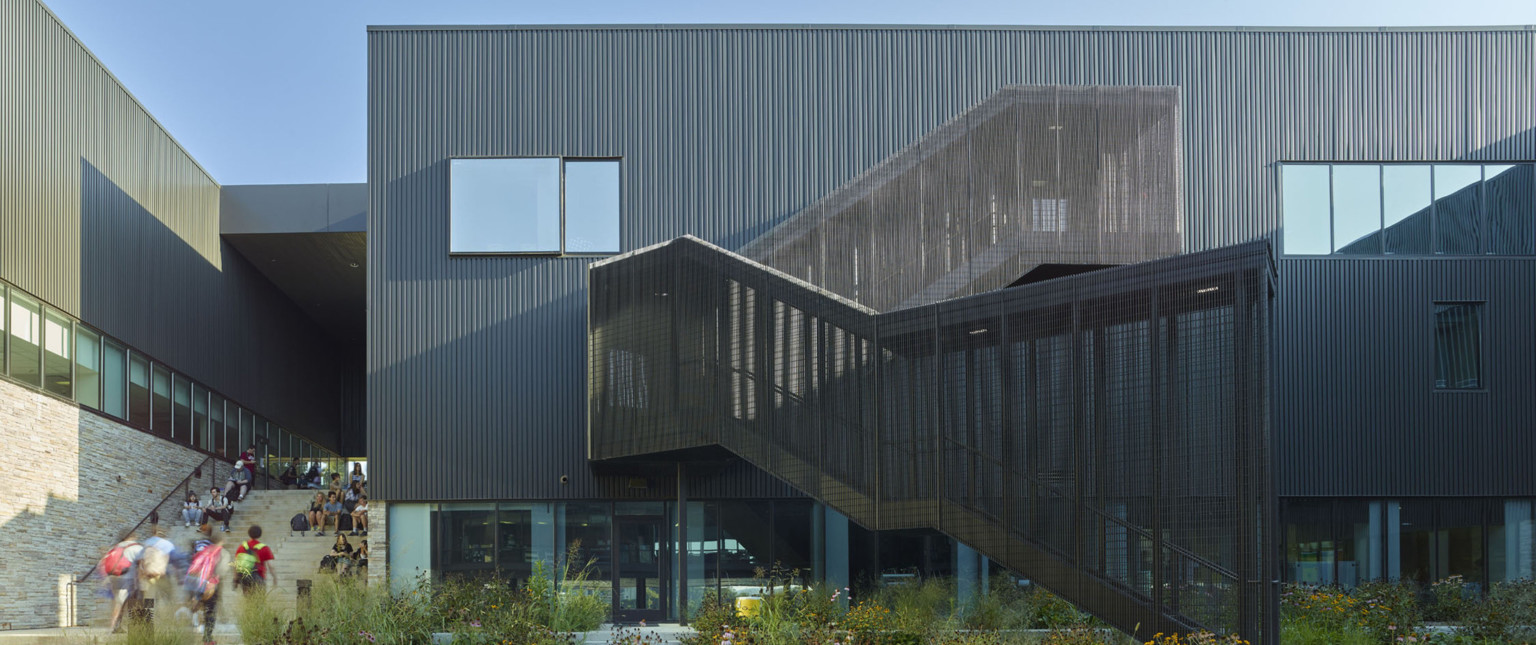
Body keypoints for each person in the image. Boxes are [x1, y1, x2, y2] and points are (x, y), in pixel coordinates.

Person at [233, 525, 276, 595]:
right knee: (260, 601)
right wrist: (274, 578)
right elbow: (271, 566)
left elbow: (236, 564)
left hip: (245, 579)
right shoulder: (264, 548)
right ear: (260, 534)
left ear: (249, 533)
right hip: (259, 577)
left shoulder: (242, 547)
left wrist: (235, 579)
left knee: (248, 600)